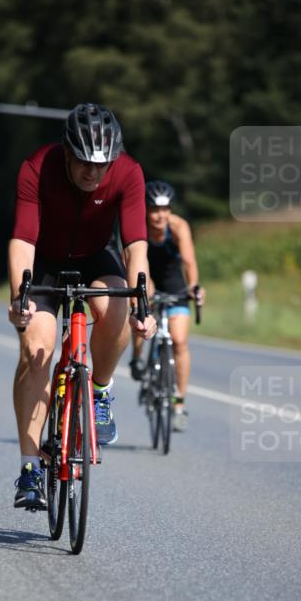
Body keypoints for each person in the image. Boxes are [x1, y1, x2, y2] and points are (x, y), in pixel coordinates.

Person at [8, 102, 156, 510]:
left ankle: (100, 391)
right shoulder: (37, 167)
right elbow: (23, 239)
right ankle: (29, 468)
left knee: (117, 308)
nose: (94, 173)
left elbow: (135, 245)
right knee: (37, 349)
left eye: (102, 164)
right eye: (85, 163)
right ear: (67, 152)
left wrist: (142, 304)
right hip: (44, 261)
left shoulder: (128, 172)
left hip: (94, 256)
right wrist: (19, 298)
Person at [130, 180, 204, 432]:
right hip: (146, 278)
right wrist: (139, 289)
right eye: (154, 209)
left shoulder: (178, 227)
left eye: (165, 209)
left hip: (174, 284)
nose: (161, 215)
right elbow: (130, 258)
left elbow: (189, 261)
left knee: (180, 341)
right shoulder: (137, 225)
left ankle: (179, 403)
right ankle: (137, 359)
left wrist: (193, 286)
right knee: (141, 308)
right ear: (146, 209)